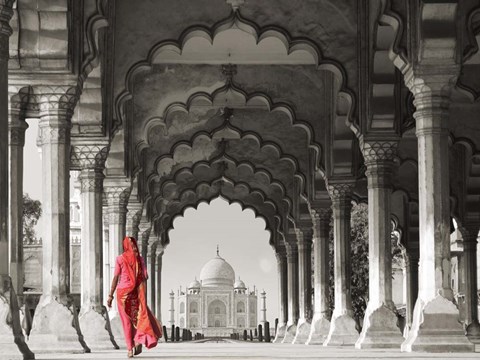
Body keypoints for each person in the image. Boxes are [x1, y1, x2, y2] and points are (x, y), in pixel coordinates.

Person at [107, 236, 162, 358]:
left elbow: (116, 277)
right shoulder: (140, 260)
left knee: (126, 322)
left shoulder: (120, 259)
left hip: (123, 295)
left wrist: (110, 295)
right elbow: (145, 277)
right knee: (138, 318)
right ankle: (138, 340)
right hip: (136, 294)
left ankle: (129, 349)